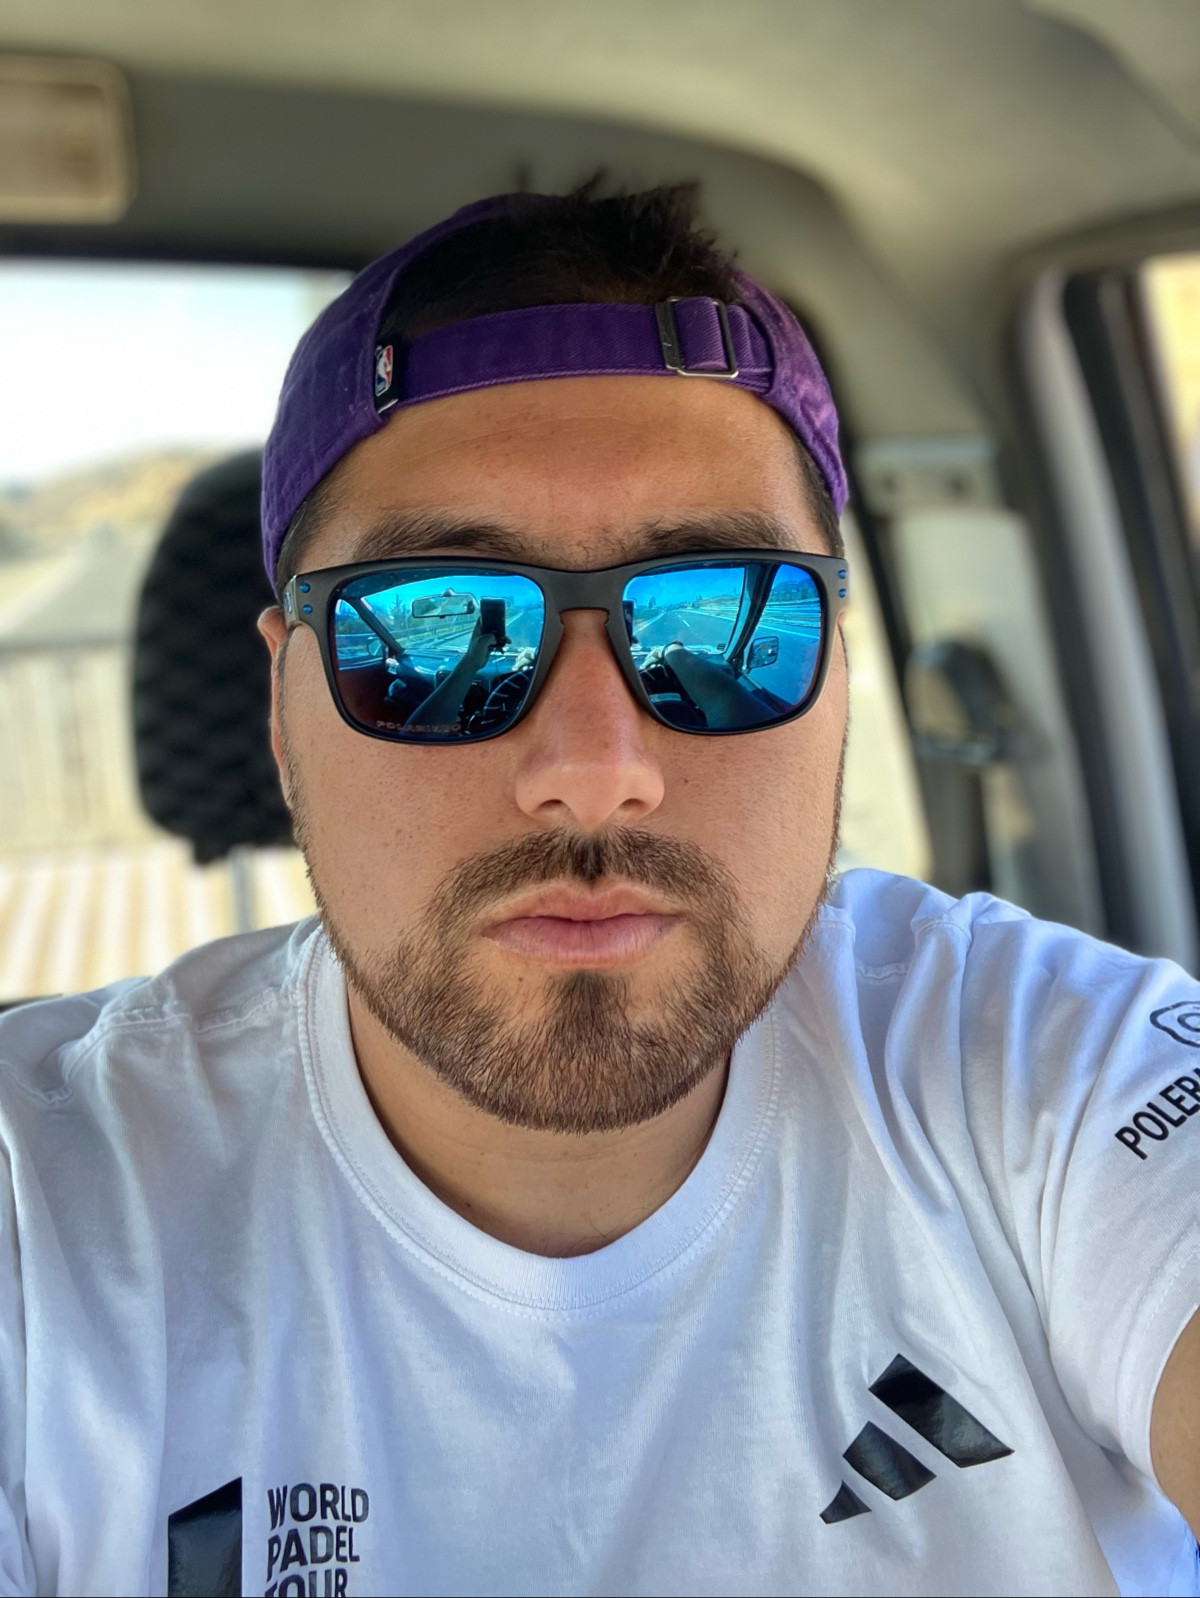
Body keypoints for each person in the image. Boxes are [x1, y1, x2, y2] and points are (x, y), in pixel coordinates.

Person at [0, 183, 1196, 1598]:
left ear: (835, 676)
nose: (592, 772)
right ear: (281, 703)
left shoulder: (1040, 1065)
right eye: (434, 635)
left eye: (723, 623)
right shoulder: (49, 1206)